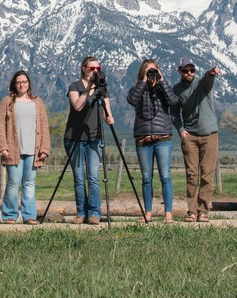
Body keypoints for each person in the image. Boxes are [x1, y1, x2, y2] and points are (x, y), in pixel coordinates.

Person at [127, 58, 179, 223]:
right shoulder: (137, 88)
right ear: (142, 73)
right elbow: (132, 100)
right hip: (143, 138)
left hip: (163, 137)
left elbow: (173, 101)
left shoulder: (163, 88)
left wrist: (161, 81)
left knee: (165, 176)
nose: (151, 74)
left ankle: (168, 214)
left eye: (153, 70)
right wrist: (143, 83)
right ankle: (147, 214)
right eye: (148, 71)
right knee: (146, 177)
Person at [64, 56, 115, 225]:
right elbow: (77, 106)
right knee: (79, 177)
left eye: (98, 69)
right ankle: (81, 212)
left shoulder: (102, 87)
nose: (95, 72)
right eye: (92, 69)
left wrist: (109, 117)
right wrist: (89, 90)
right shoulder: (75, 86)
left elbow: (107, 111)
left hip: (94, 136)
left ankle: (94, 213)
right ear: (84, 69)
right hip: (75, 137)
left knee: (93, 176)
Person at [0, 70, 51, 224]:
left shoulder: (37, 102)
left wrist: (44, 148)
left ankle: (29, 215)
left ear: (29, 84)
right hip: (13, 150)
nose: (22, 85)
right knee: (13, 182)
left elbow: (44, 126)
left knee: (29, 183)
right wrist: (2, 146)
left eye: (24, 82)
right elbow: (0, 125)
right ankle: (10, 215)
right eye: (19, 82)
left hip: (33, 150)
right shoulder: (6, 102)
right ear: (14, 84)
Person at [172, 58, 221, 223]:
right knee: (192, 175)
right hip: (190, 136)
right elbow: (173, 113)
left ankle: (203, 211)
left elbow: (208, 78)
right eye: (185, 71)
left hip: (209, 135)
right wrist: (181, 131)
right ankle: (192, 211)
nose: (189, 73)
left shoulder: (202, 84)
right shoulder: (176, 90)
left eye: (192, 70)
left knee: (207, 174)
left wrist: (211, 73)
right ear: (180, 71)